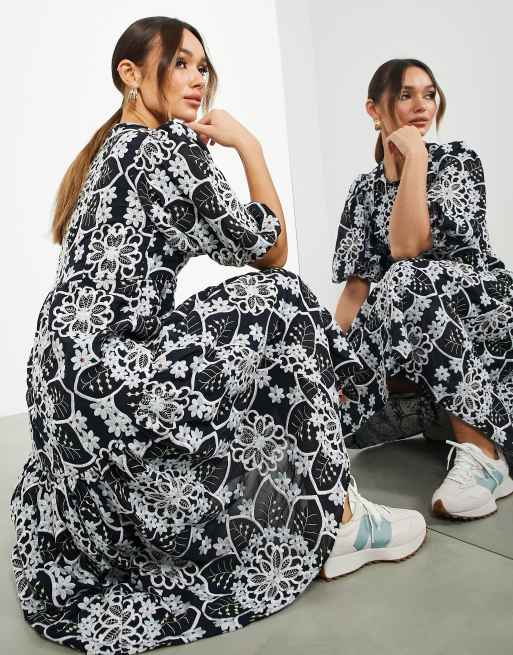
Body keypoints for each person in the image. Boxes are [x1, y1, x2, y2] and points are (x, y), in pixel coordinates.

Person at [10, 20, 426, 654]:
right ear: (130, 75)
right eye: (180, 63)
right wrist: (247, 144)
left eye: (203, 66)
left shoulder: (108, 152)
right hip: (112, 374)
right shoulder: (162, 150)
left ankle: (329, 485)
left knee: (248, 334)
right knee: (281, 299)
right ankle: (341, 516)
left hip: (59, 384)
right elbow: (271, 249)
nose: (198, 78)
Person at [332, 58, 513, 523]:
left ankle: (484, 455)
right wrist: (330, 372)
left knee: (406, 279)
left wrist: (416, 158)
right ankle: (441, 413)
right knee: (344, 412)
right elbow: (355, 292)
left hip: (485, 309)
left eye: (429, 94)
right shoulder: (363, 191)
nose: (422, 106)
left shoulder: (458, 161)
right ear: (374, 110)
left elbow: (407, 248)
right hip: (418, 341)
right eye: (406, 95)